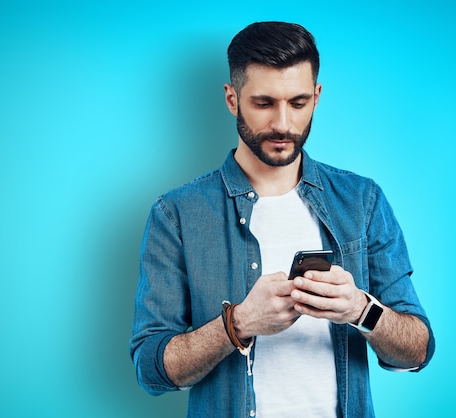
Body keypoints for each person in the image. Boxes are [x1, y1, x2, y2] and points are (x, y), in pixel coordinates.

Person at [130, 21, 435, 418]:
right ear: (232, 98)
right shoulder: (177, 214)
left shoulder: (363, 201)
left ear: (317, 96)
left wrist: (361, 309)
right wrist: (237, 323)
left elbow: (418, 350)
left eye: (298, 102)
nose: (283, 124)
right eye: (263, 103)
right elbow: (150, 369)